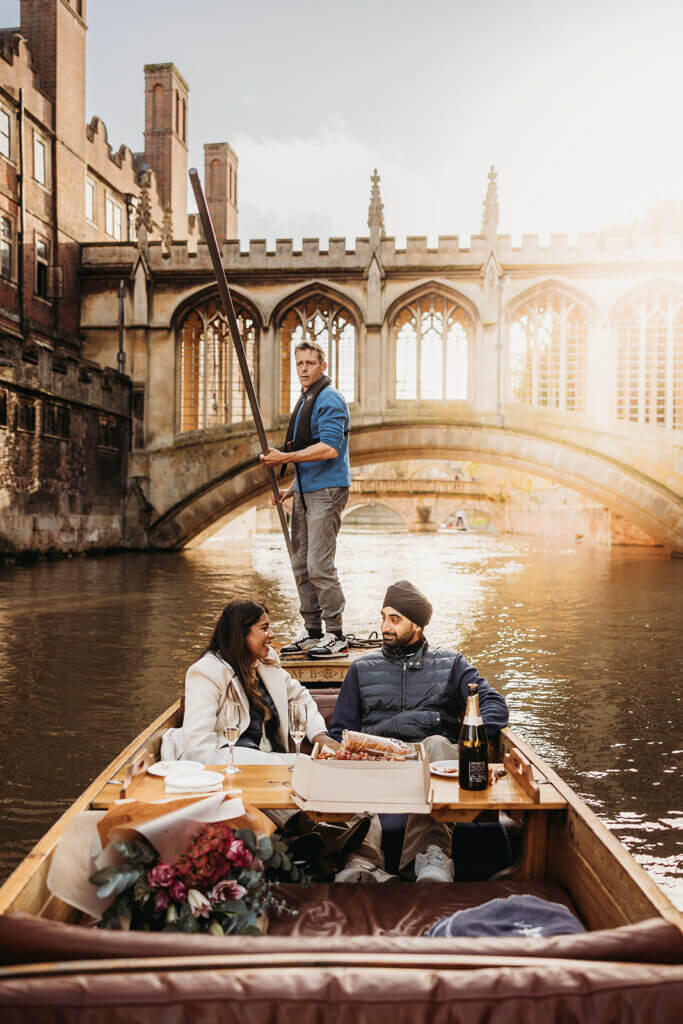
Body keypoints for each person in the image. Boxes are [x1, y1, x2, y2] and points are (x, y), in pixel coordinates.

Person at [329, 579, 510, 883]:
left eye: (395, 619)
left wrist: (470, 736)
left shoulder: (452, 664)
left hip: (432, 766)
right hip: (380, 766)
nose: (385, 626)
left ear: (418, 625)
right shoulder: (361, 669)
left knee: (438, 743)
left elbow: (494, 706)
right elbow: (340, 732)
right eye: (383, 617)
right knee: (351, 759)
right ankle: (362, 860)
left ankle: (432, 858)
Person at [260, 340, 351, 660]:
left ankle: (336, 634)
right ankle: (313, 631)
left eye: (310, 363)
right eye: (299, 364)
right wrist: (292, 488)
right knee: (300, 563)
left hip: (328, 491)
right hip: (306, 490)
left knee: (318, 564)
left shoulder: (330, 400)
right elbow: (308, 454)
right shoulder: (305, 400)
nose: (303, 369)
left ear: (322, 366)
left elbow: (329, 449)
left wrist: (284, 456)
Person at [179, 599, 336, 765]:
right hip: (229, 762)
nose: (272, 634)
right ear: (241, 634)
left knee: (309, 766)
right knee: (306, 765)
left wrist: (320, 736)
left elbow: (298, 696)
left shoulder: (265, 661)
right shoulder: (206, 672)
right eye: (264, 628)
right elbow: (199, 748)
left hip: (271, 757)